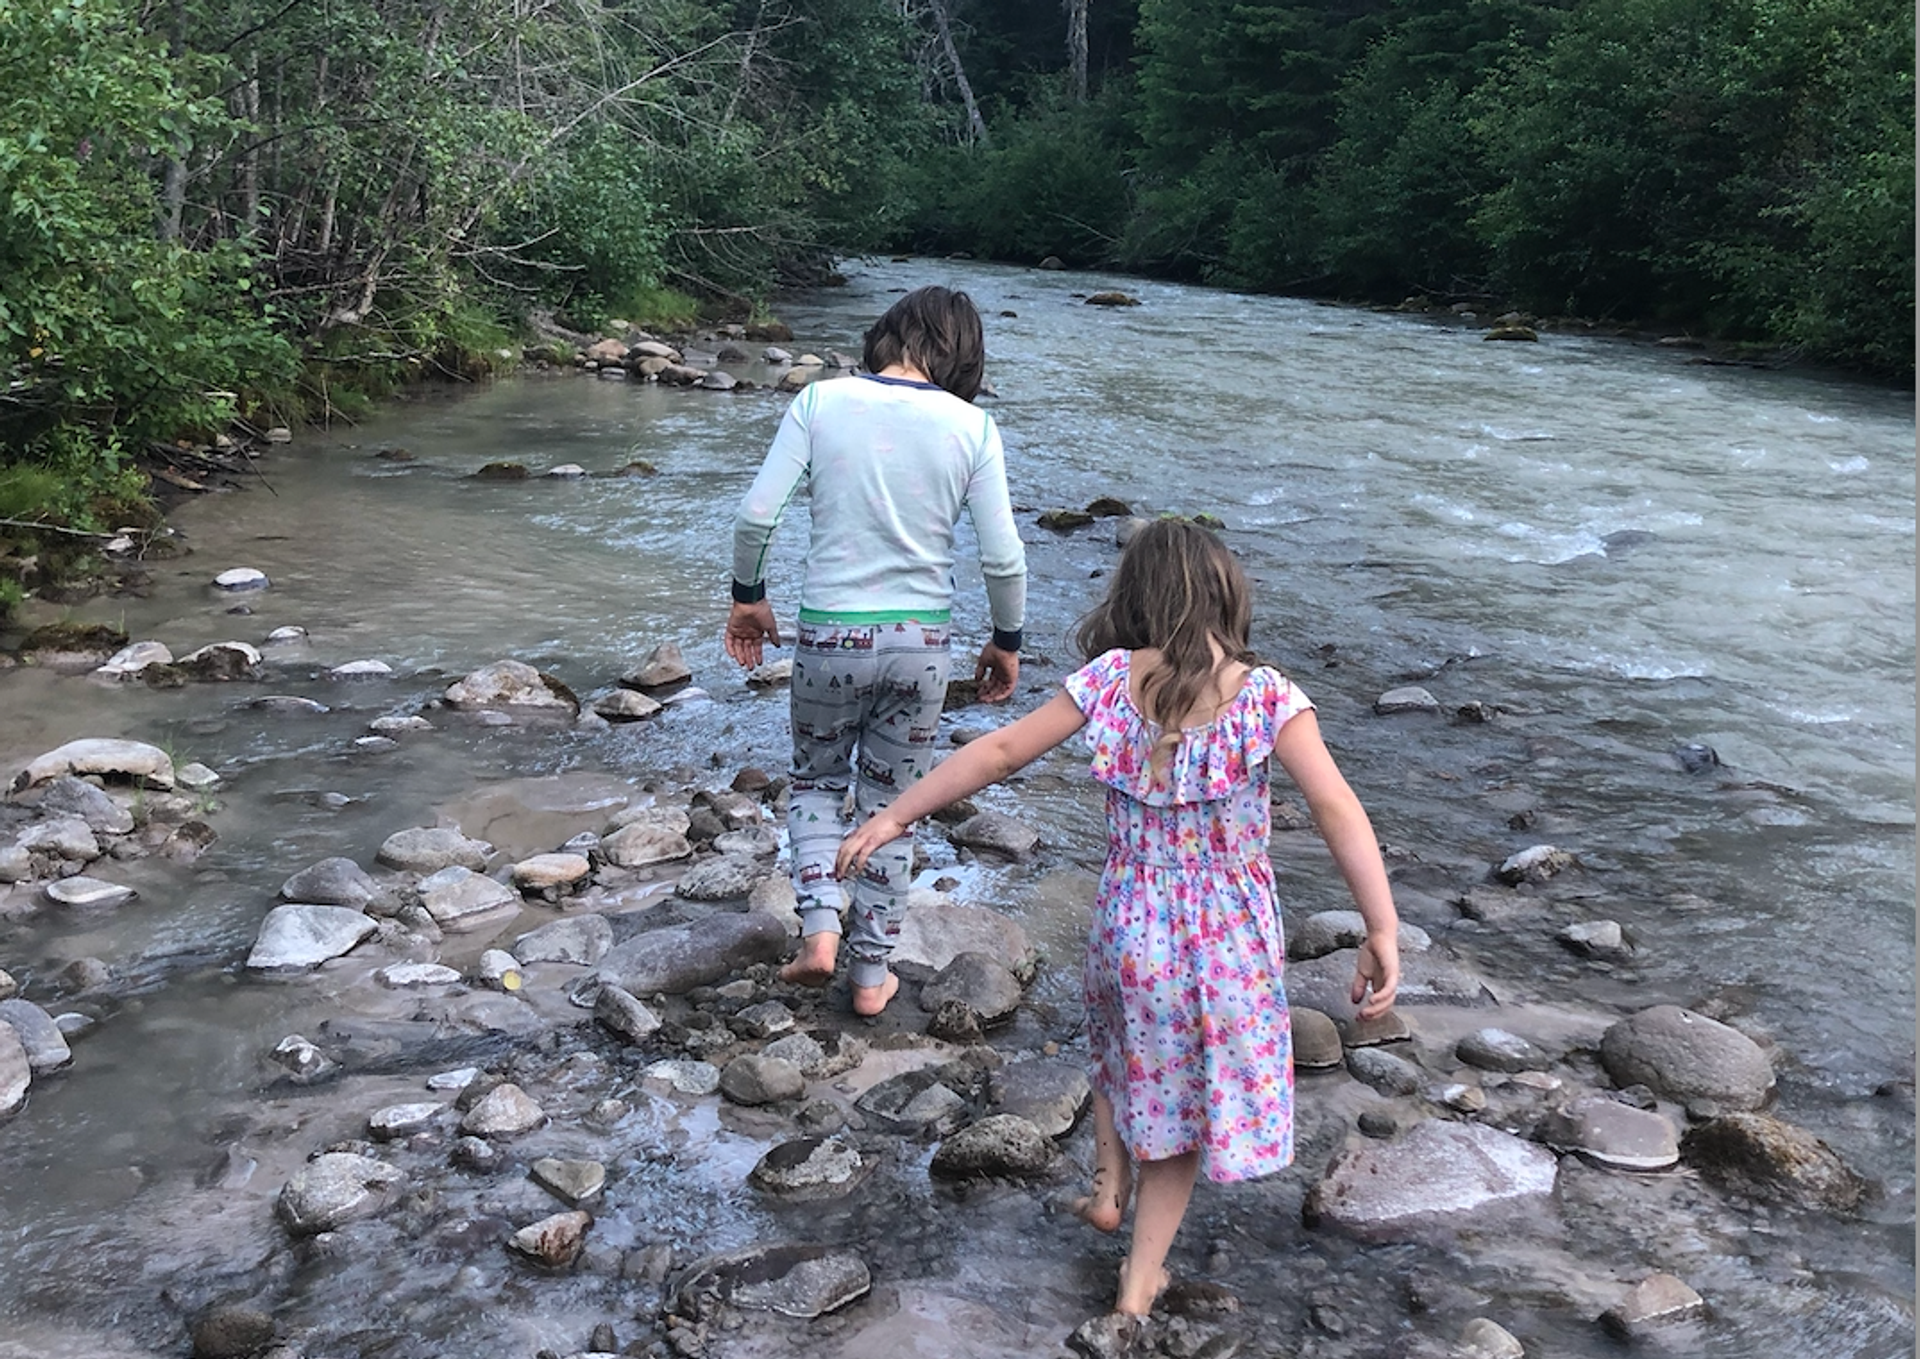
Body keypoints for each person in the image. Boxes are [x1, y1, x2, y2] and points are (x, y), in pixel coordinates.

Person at [837, 518, 1400, 1318]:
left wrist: (896, 815)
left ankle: (1108, 1185)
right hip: (1228, 942)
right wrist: (1380, 924)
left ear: (1134, 596)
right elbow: (1336, 805)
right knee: (1180, 1115)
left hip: (1130, 925)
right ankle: (1138, 1281)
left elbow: (998, 753)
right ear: (1226, 594)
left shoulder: (1107, 680)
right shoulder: (1266, 694)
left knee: (1119, 1044)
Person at [725, 285, 1027, 1018]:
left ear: (888, 336)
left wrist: (748, 595)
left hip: (831, 636)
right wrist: (1006, 639)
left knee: (817, 782)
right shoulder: (973, 426)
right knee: (895, 806)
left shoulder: (820, 403)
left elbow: (756, 513)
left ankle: (820, 931)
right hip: (920, 643)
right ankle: (869, 977)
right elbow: (1004, 558)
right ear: (962, 356)